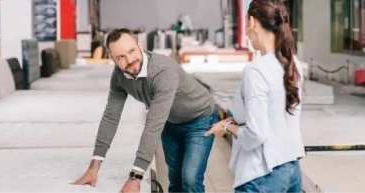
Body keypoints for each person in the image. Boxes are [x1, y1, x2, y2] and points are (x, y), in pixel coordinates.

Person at [71, 28, 220, 193]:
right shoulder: (119, 76)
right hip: (171, 122)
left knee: (190, 179)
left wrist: (136, 177)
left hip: (200, 118)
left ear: (140, 46)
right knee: (176, 180)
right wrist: (94, 166)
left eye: (132, 51)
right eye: (121, 57)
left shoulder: (162, 71)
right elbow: (111, 117)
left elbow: (154, 124)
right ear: (112, 59)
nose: (129, 60)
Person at [205, 0, 305, 192]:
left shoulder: (255, 71)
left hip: (262, 173)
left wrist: (227, 127)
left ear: (252, 22)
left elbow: (255, 135)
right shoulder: (293, 64)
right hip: (292, 169)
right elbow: (276, 115)